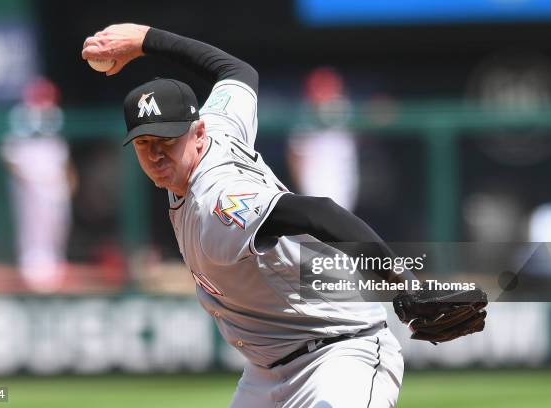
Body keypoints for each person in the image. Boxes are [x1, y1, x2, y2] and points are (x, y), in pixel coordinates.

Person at [82, 24, 485, 407]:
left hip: (340, 354)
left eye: (167, 139)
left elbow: (318, 213)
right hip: (264, 374)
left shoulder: (219, 203)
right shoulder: (222, 130)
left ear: (197, 132)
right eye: (144, 143)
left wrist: (401, 284)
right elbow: (235, 70)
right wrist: (147, 39)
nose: (155, 154)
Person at [0, 77, 75, 293]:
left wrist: (68, 175)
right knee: (32, 226)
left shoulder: (54, 115)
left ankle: (55, 265)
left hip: (53, 181)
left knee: (59, 223)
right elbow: (9, 154)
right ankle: (31, 270)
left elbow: (61, 152)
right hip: (30, 182)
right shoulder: (21, 117)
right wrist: (25, 179)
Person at [287, 67, 359, 211]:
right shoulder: (304, 117)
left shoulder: (345, 110)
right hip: (316, 187)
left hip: (343, 184)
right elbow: (294, 157)